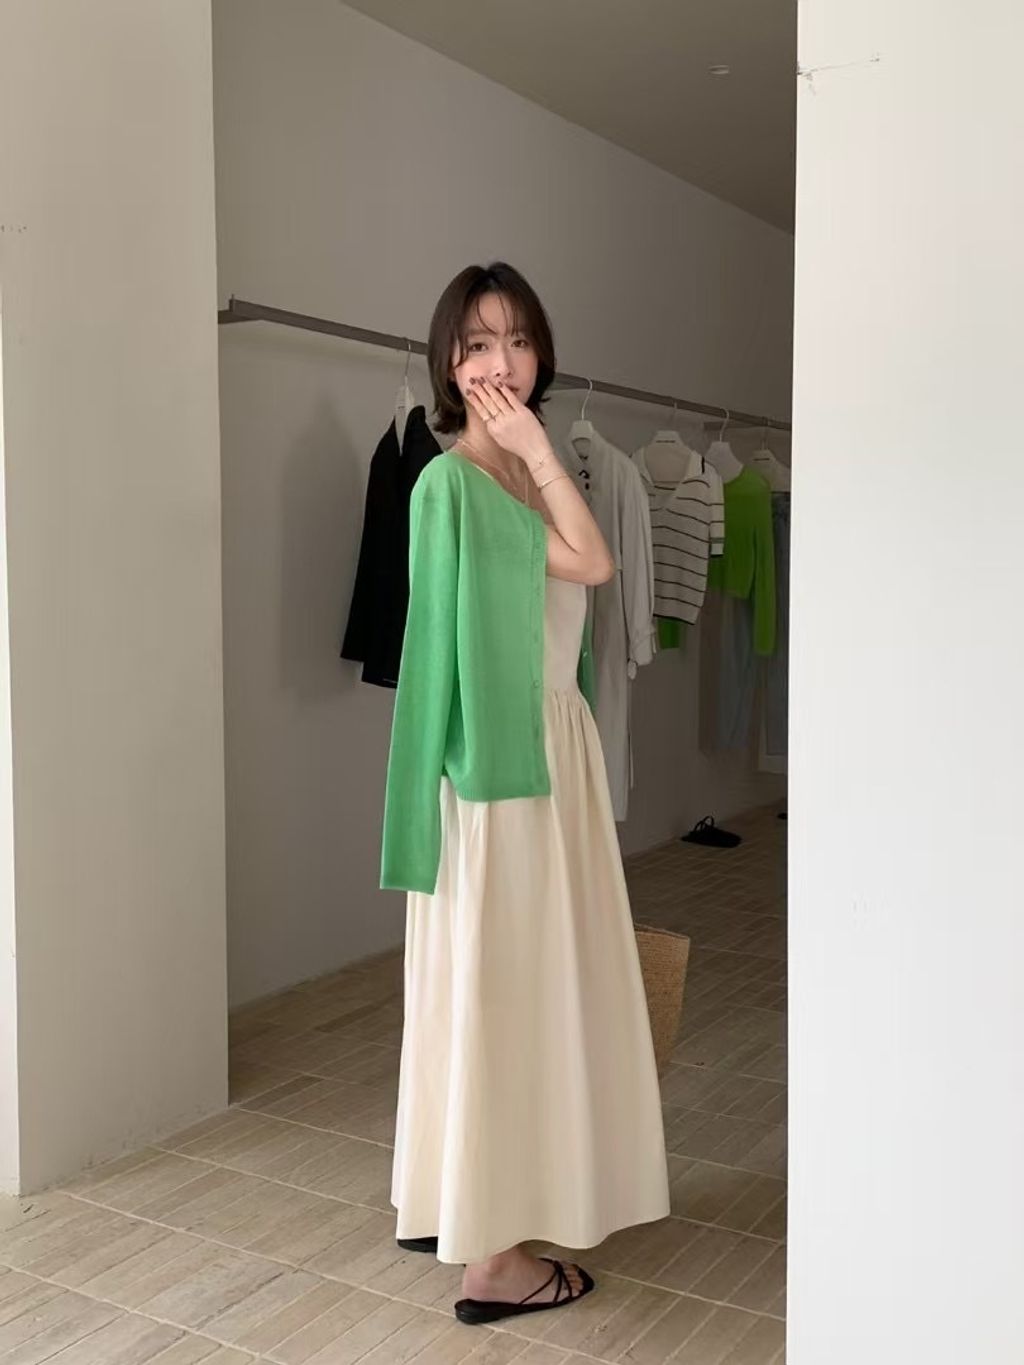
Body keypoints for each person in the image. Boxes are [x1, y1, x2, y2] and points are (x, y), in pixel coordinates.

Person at [380, 262, 671, 1327]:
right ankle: (495, 1261)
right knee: (501, 996)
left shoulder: (522, 479)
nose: (498, 363)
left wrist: (539, 458)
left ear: (541, 353)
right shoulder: (451, 484)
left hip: (553, 757)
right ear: (447, 364)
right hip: (500, 777)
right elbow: (589, 569)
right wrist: (542, 452)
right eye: (475, 344)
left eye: (515, 340)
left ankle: (476, 1201)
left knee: (529, 993)